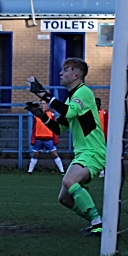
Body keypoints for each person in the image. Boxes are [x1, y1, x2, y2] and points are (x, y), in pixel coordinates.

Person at [25, 57, 106, 236]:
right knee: (65, 199)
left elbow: (68, 112)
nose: (61, 73)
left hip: (93, 152)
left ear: (76, 75)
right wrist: (41, 114)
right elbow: (59, 127)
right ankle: (97, 221)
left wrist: (44, 94)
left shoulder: (84, 92)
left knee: (69, 181)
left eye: (66, 70)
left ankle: (98, 223)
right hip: (83, 153)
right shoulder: (72, 97)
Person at [27, 100, 64, 174]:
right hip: (38, 137)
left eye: (44, 103)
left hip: (48, 137)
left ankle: (62, 170)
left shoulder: (51, 114)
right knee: (35, 154)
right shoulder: (36, 115)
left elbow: (54, 126)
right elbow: (34, 127)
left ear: (47, 105)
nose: (42, 105)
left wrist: (55, 137)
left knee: (54, 153)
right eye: (41, 104)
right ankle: (30, 171)